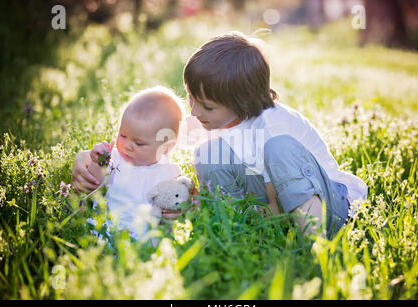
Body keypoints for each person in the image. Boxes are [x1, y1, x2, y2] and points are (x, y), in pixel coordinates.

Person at [73, 32, 368, 239]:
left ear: (240, 103)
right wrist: (89, 158)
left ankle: (313, 245)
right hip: (271, 208)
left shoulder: (274, 126)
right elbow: (144, 141)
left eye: (207, 106)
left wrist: (263, 210)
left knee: (280, 150)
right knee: (208, 153)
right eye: (191, 98)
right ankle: (234, 225)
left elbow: (275, 197)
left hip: (328, 205)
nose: (196, 112)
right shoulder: (209, 121)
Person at [75, 86, 186, 240]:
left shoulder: (169, 172)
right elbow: (94, 183)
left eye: (139, 143)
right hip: (108, 230)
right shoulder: (115, 159)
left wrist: (180, 206)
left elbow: (179, 202)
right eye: (123, 135)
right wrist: (97, 162)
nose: (127, 145)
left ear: (166, 147)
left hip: (147, 238)